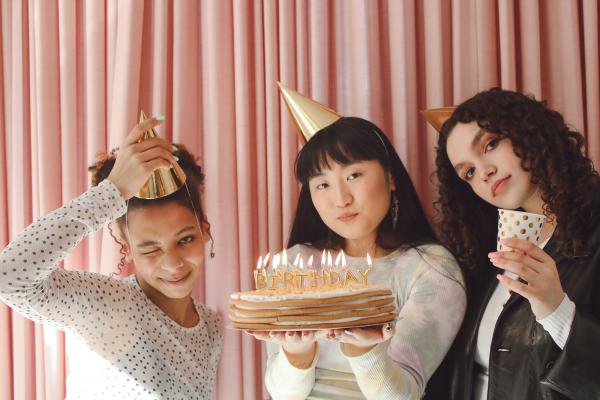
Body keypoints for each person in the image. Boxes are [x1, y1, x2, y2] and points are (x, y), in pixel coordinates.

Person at [0, 117, 222, 399]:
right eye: (150, 248)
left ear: (205, 231)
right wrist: (113, 192)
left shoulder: (212, 328)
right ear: (127, 248)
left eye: (185, 239)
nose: (173, 263)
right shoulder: (110, 305)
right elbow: (9, 276)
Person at [251, 116, 466, 399]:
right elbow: (282, 394)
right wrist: (297, 353)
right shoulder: (294, 266)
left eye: (353, 175)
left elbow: (402, 395)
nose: (341, 199)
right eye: (322, 184)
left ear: (390, 177)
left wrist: (364, 350)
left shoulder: (430, 268)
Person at [434, 87, 600, 399]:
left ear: (528, 131)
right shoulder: (493, 253)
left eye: (490, 144)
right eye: (468, 172)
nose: (483, 172)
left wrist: (556, 310)